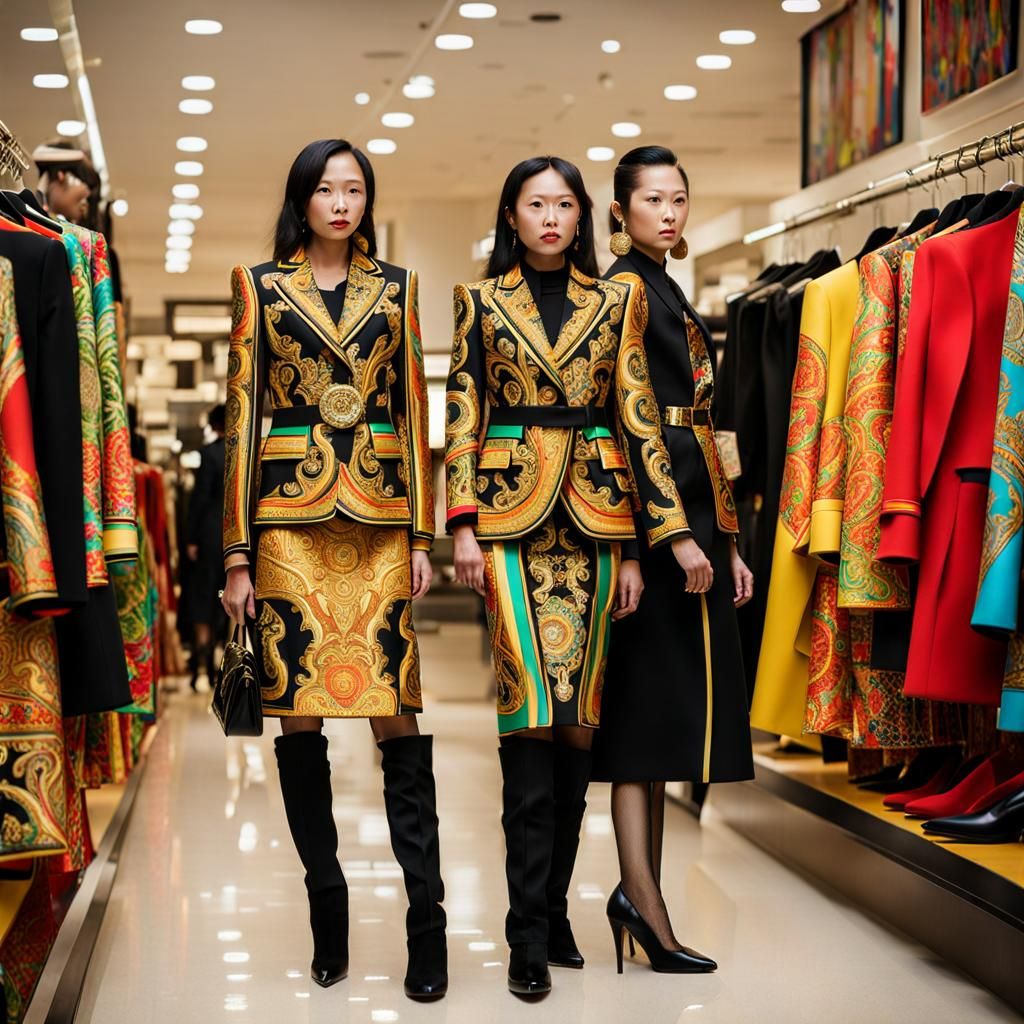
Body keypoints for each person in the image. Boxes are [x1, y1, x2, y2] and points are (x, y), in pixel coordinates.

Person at [444, 155, 690, 996]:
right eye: (534, 204)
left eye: (563, 205)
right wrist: (463, 523)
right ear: (510, 216)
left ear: (583, 217)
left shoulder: (614, 300)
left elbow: (635, 417)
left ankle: (554, 910)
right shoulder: (478, 302)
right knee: (526, 717)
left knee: (580, 722)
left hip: (593, 525)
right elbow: (463, 413)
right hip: (508, 527)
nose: (550, 217)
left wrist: (639, 545)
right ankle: (523, 935)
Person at [221, 139, 447, 1001]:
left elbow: (411, 406)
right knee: (299, 722)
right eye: (327, 189)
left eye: (355, 189)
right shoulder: (259, 286)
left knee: (398, 712)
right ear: (302, 200)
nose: (342, 203)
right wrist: (237, 554)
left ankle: (427, 927)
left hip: (382, 523)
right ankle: (328, 909)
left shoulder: (398, 288)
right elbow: (243, 416)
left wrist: (421, 536)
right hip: (286, 526)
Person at [592, 146, 755, 973]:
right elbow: (630, 426)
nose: (668, 212)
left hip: (692, 517)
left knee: (661, 721)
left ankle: (642, 896)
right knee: (643, 719)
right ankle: (641, 901)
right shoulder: (624, 289)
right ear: (618, 211)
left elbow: (701, 422)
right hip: (657, 534)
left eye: (679, 199)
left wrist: (727, 540)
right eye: (652, 199)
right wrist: (674, 536)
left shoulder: (662, 284)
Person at [186, 403, 226, 691]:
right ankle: (231, 663)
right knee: (233, 602)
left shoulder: (209, 455)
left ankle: (204, 665)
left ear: (213, 425)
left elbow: (199, 499)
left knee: (205, 598)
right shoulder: (247, 451)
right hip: (240, 534)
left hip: (210, 533)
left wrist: (191, 538)